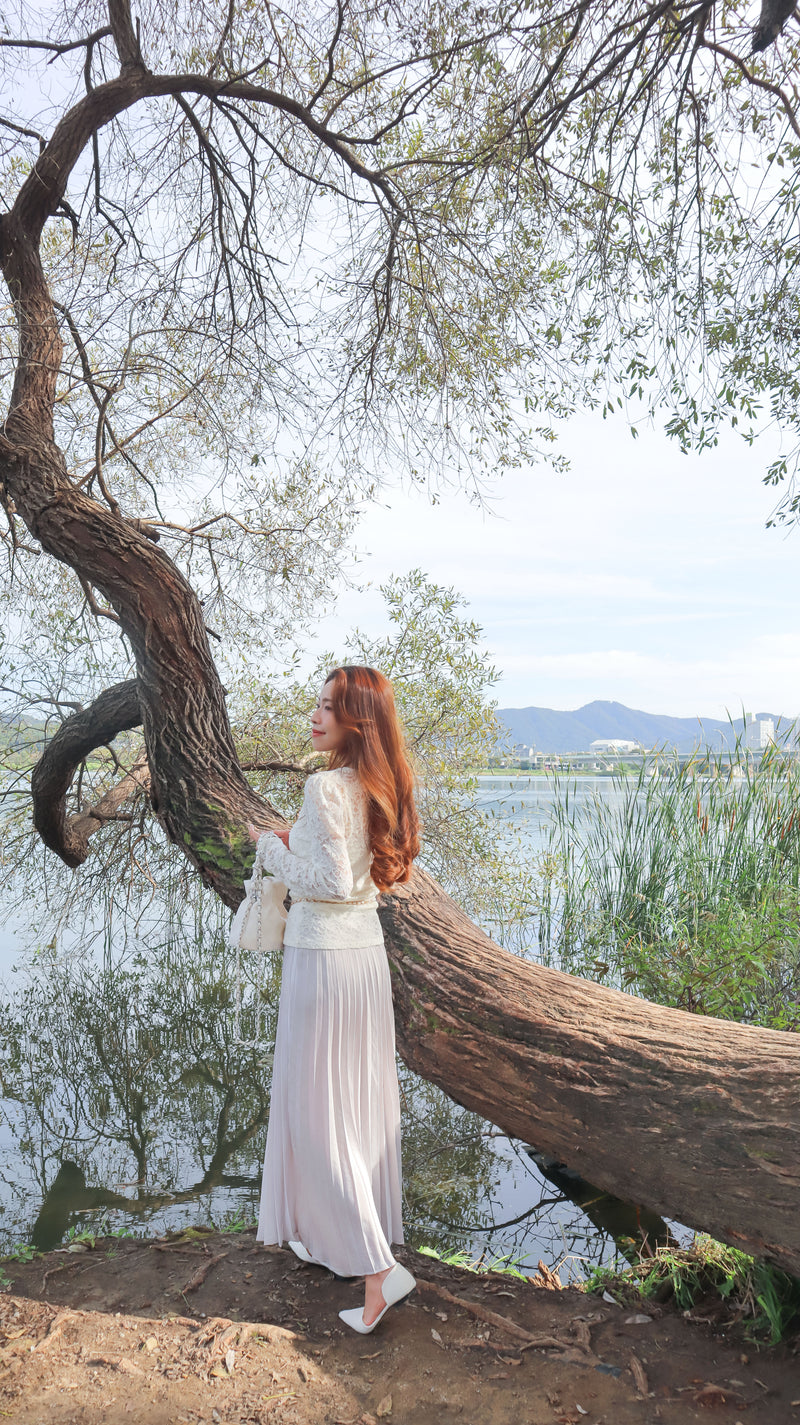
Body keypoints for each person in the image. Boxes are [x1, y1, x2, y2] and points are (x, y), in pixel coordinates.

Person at [247, 665, 420, 1333]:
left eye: (328, 707)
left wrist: (269, 847)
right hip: (363, 959)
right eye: (316, 703)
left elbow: (323, 880)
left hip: (321, 957)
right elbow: (353, 871)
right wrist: (299, 845)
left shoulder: (324, 785)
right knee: (353, 1105)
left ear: (356, 720)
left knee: (319, 1111)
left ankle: (378, 1270)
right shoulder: (380, 785)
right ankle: (339, 1239)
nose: (314, 716)